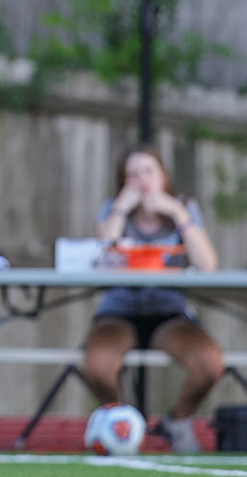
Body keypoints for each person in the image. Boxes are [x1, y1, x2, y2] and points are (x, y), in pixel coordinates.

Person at [81, 146, 224, 454]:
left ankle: (177, 421)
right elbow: (99, 256)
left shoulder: (183, 209)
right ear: (122, 181)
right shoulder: (112, 209)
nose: (141, 180)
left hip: (169, 312)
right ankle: (121, 423)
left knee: (210, 364)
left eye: (148, 171)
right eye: (132, 174)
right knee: (97, 366)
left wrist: (178, 213)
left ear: (163, 176)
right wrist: (120, 210)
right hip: (118, 312)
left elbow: (207, 265)